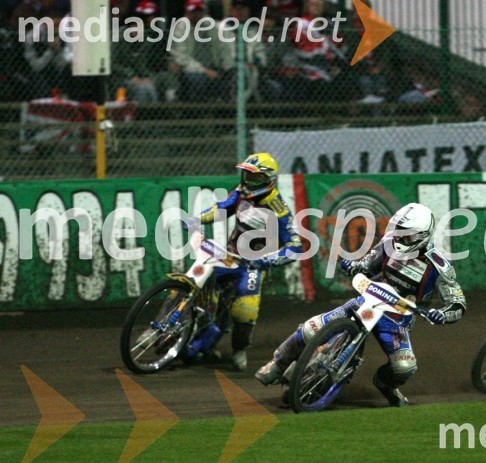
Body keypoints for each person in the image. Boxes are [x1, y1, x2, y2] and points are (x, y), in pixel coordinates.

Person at [256, 203, 467, 407]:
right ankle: (277, 364)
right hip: (367, 300)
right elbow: (366, 265)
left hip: (396, 319)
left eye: (406, 234)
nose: (399, 238)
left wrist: (442, 314)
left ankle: (386, 385)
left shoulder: (439, 266)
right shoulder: (388, 244)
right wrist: (352, 266)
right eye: (398, 231)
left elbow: (457, 303)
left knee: (405, 367)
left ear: (422, 236)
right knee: (311, 327)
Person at [187, 152, 302, 370]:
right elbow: (221, 208)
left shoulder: (279, 210)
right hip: (230, 254)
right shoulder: (241, 192)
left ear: (269, 180)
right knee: (199, 282)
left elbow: (296, 248)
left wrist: (268, 261)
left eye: (256, 178)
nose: (249, 182)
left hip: (253, 265)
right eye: (247, 176)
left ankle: (239, 348)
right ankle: (184, 325)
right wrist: (196, 219)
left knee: (244, 311)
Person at [170, 0, 233, 101]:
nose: (196, 14)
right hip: (190, 70)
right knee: (197, 80)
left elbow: (222, 48)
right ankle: (197, 111)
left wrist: (227, 67)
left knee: (227, 82)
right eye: (192, 11)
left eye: (199, 11)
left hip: (213, 68)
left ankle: (222, 112)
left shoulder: (212, 26)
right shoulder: (180, 27)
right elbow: (182, 58)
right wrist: (204, 71)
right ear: (186, 11)